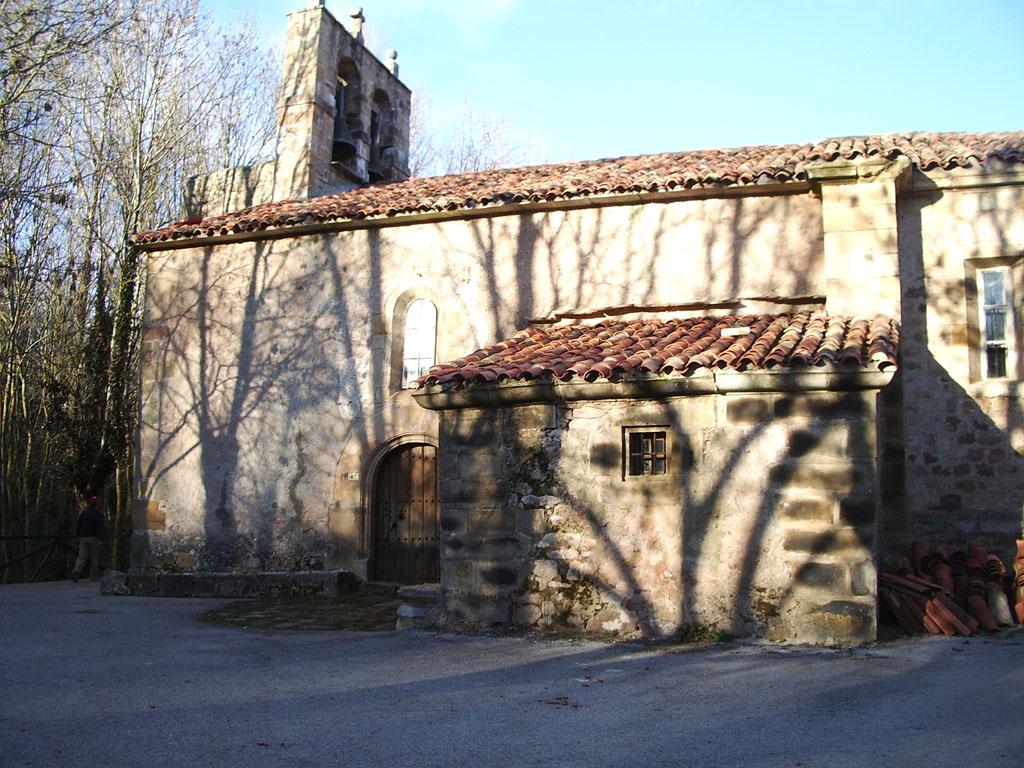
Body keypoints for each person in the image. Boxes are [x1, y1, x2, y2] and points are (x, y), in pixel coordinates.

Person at [71, 496, 106, 582]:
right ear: (97, 504)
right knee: (94, 557)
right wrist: (101, 539)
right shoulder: (98, 514)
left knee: (81, 556)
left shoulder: (84, 513)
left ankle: (76, 571)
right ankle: (94, 575)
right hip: (94, 538)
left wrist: (78, 535)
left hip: (83, 537)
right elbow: (100, 527)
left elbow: (78, 525)